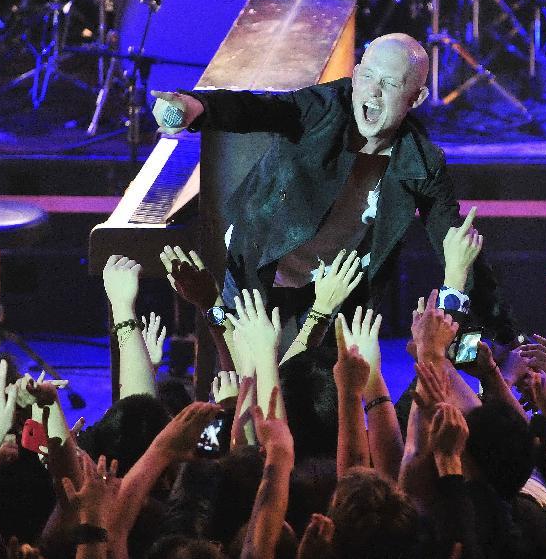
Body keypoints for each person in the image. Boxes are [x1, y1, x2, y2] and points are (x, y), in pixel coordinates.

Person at [150, 33, 515, 343]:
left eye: (389, 84)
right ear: (354, 77)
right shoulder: (321, 108)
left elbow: (456, 246)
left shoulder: (421, 163)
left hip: (332, 291)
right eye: (368, 76)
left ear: (415, 98)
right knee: (244, 376)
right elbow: (257, 109)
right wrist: (195, 105)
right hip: (261, 259)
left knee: (320, 399)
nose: (373, 92)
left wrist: (504, 335)